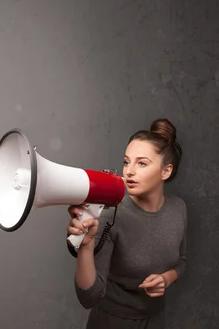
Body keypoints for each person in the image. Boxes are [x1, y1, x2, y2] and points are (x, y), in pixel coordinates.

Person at [66, 118, 187, 329]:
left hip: (156, 320)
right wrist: (85, 247)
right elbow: (89, 298)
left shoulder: (179, 209)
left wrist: (167, 278)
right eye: (126, 161)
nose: (129, 171)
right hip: (111, 322)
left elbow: (182, 261)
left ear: (166, 171)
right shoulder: (111, 213)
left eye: (141, 163)